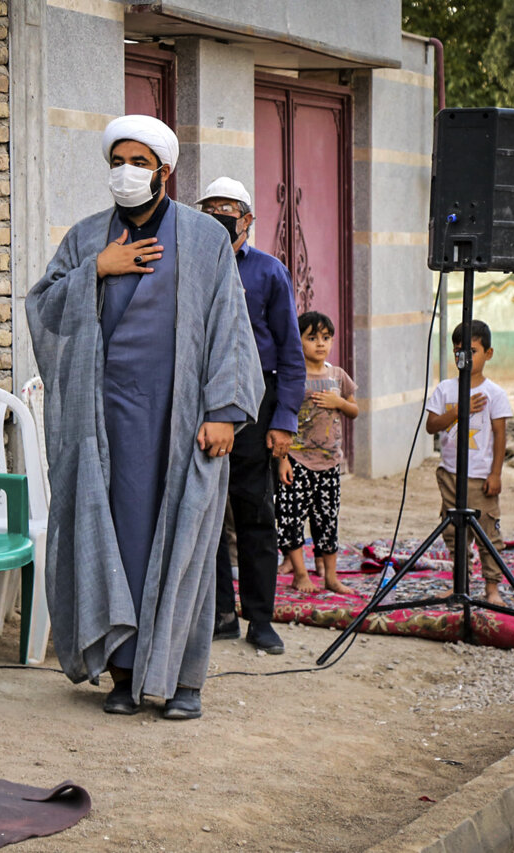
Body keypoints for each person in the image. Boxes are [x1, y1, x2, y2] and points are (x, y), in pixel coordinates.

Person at [26, 115, 263, 721]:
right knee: (124, 544)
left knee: (189, 540)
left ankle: (183, 681)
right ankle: (127, 673)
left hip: (184, 421)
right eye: (117, 161)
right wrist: (97, 271)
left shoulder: (206, 238)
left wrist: (224, 411)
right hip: (106, 426)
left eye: (138, 161)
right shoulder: (85, 239)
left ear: (164, 171)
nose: (125, 172)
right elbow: (44, 311)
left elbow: (230, 329)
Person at [197, 177, 306, 653]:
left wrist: (283, 420)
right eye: (210, 209)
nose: (219, 217)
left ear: (248, 219)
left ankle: (260, 619)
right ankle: (220, 614)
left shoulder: (268, 272)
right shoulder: (190, 267)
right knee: (202, 513)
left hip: (253, 405)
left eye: (228, 210)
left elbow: (291, 353)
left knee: (255, 514)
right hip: (199, 402)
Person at [425, 321, 512, 607]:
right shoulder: (446, 389)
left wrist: (496, 473)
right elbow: (431, 425)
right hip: (450, 475)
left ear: (488, 353)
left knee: (487, 534)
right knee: (454, 533)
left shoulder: (494, 393)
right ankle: (459, 585)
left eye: (472, 351)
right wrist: (458, 411)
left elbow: (500, 434)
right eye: (459, 351)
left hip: (479, 477)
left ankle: (491, 589)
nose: (465, 357)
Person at [274, 312, 357, 596]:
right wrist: (282, 459)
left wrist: (339, 402)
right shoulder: (292, 377)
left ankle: (331, 578)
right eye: (311, 338)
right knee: (293, 518)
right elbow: (280, 420)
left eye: (325, 338)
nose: (320, 344)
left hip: (330, 463)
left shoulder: (337, 376)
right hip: (297, 460)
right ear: (298, 342)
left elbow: (354, 409)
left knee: (327, 520)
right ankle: (300, 573)